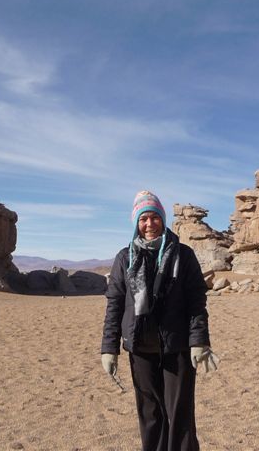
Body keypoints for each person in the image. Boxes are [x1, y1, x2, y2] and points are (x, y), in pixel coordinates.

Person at [101, 190, 218, 451]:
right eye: (143, 219)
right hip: (140, 347)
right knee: (150, 415)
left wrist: (199, 340)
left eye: (154, 217)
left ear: (163, 219)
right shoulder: (125, 258)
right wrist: (109, 348)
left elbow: (196, 301)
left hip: (177, 347)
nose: (149, 224)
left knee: (179, 415)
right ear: (136, 223)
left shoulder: (182, 255)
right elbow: (115, 305)